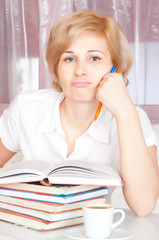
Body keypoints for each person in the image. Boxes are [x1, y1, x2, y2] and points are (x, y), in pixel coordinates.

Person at [0, 10, 158, 216]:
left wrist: (125, 112)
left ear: (115, 69)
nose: (80, 70)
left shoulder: (131, 116)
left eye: (94, 58)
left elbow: (143, 205)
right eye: (69, 59)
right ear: (56, 68)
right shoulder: (27, 107)